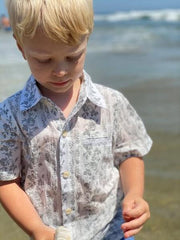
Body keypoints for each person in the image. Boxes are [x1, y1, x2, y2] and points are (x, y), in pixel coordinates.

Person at [0, 0, 152, 240]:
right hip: (51, 235)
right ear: (21, 48)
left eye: (73, 56)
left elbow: (129, 153)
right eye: (44, 60)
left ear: (87, 40)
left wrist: (135, 194)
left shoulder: (111, 103)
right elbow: (6, 179)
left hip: (112, 231)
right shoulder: (10, 115)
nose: (60, 71)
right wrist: (36, 229)